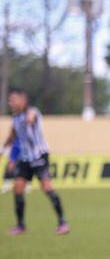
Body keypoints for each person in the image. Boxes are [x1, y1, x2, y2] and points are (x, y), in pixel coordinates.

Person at [3, 88, 69, 235]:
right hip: (25, 158)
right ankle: (20, 225)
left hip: (39, 156)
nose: (11, 103)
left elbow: (32, 116)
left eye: (13, 100)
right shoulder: (15, 119)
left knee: (46, 187)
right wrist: (2, 150)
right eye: (10, 100)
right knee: (18, 188)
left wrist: (30, 118)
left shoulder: (33, 112)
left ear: (22, 100)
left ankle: (63, 222)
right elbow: (12, 136)